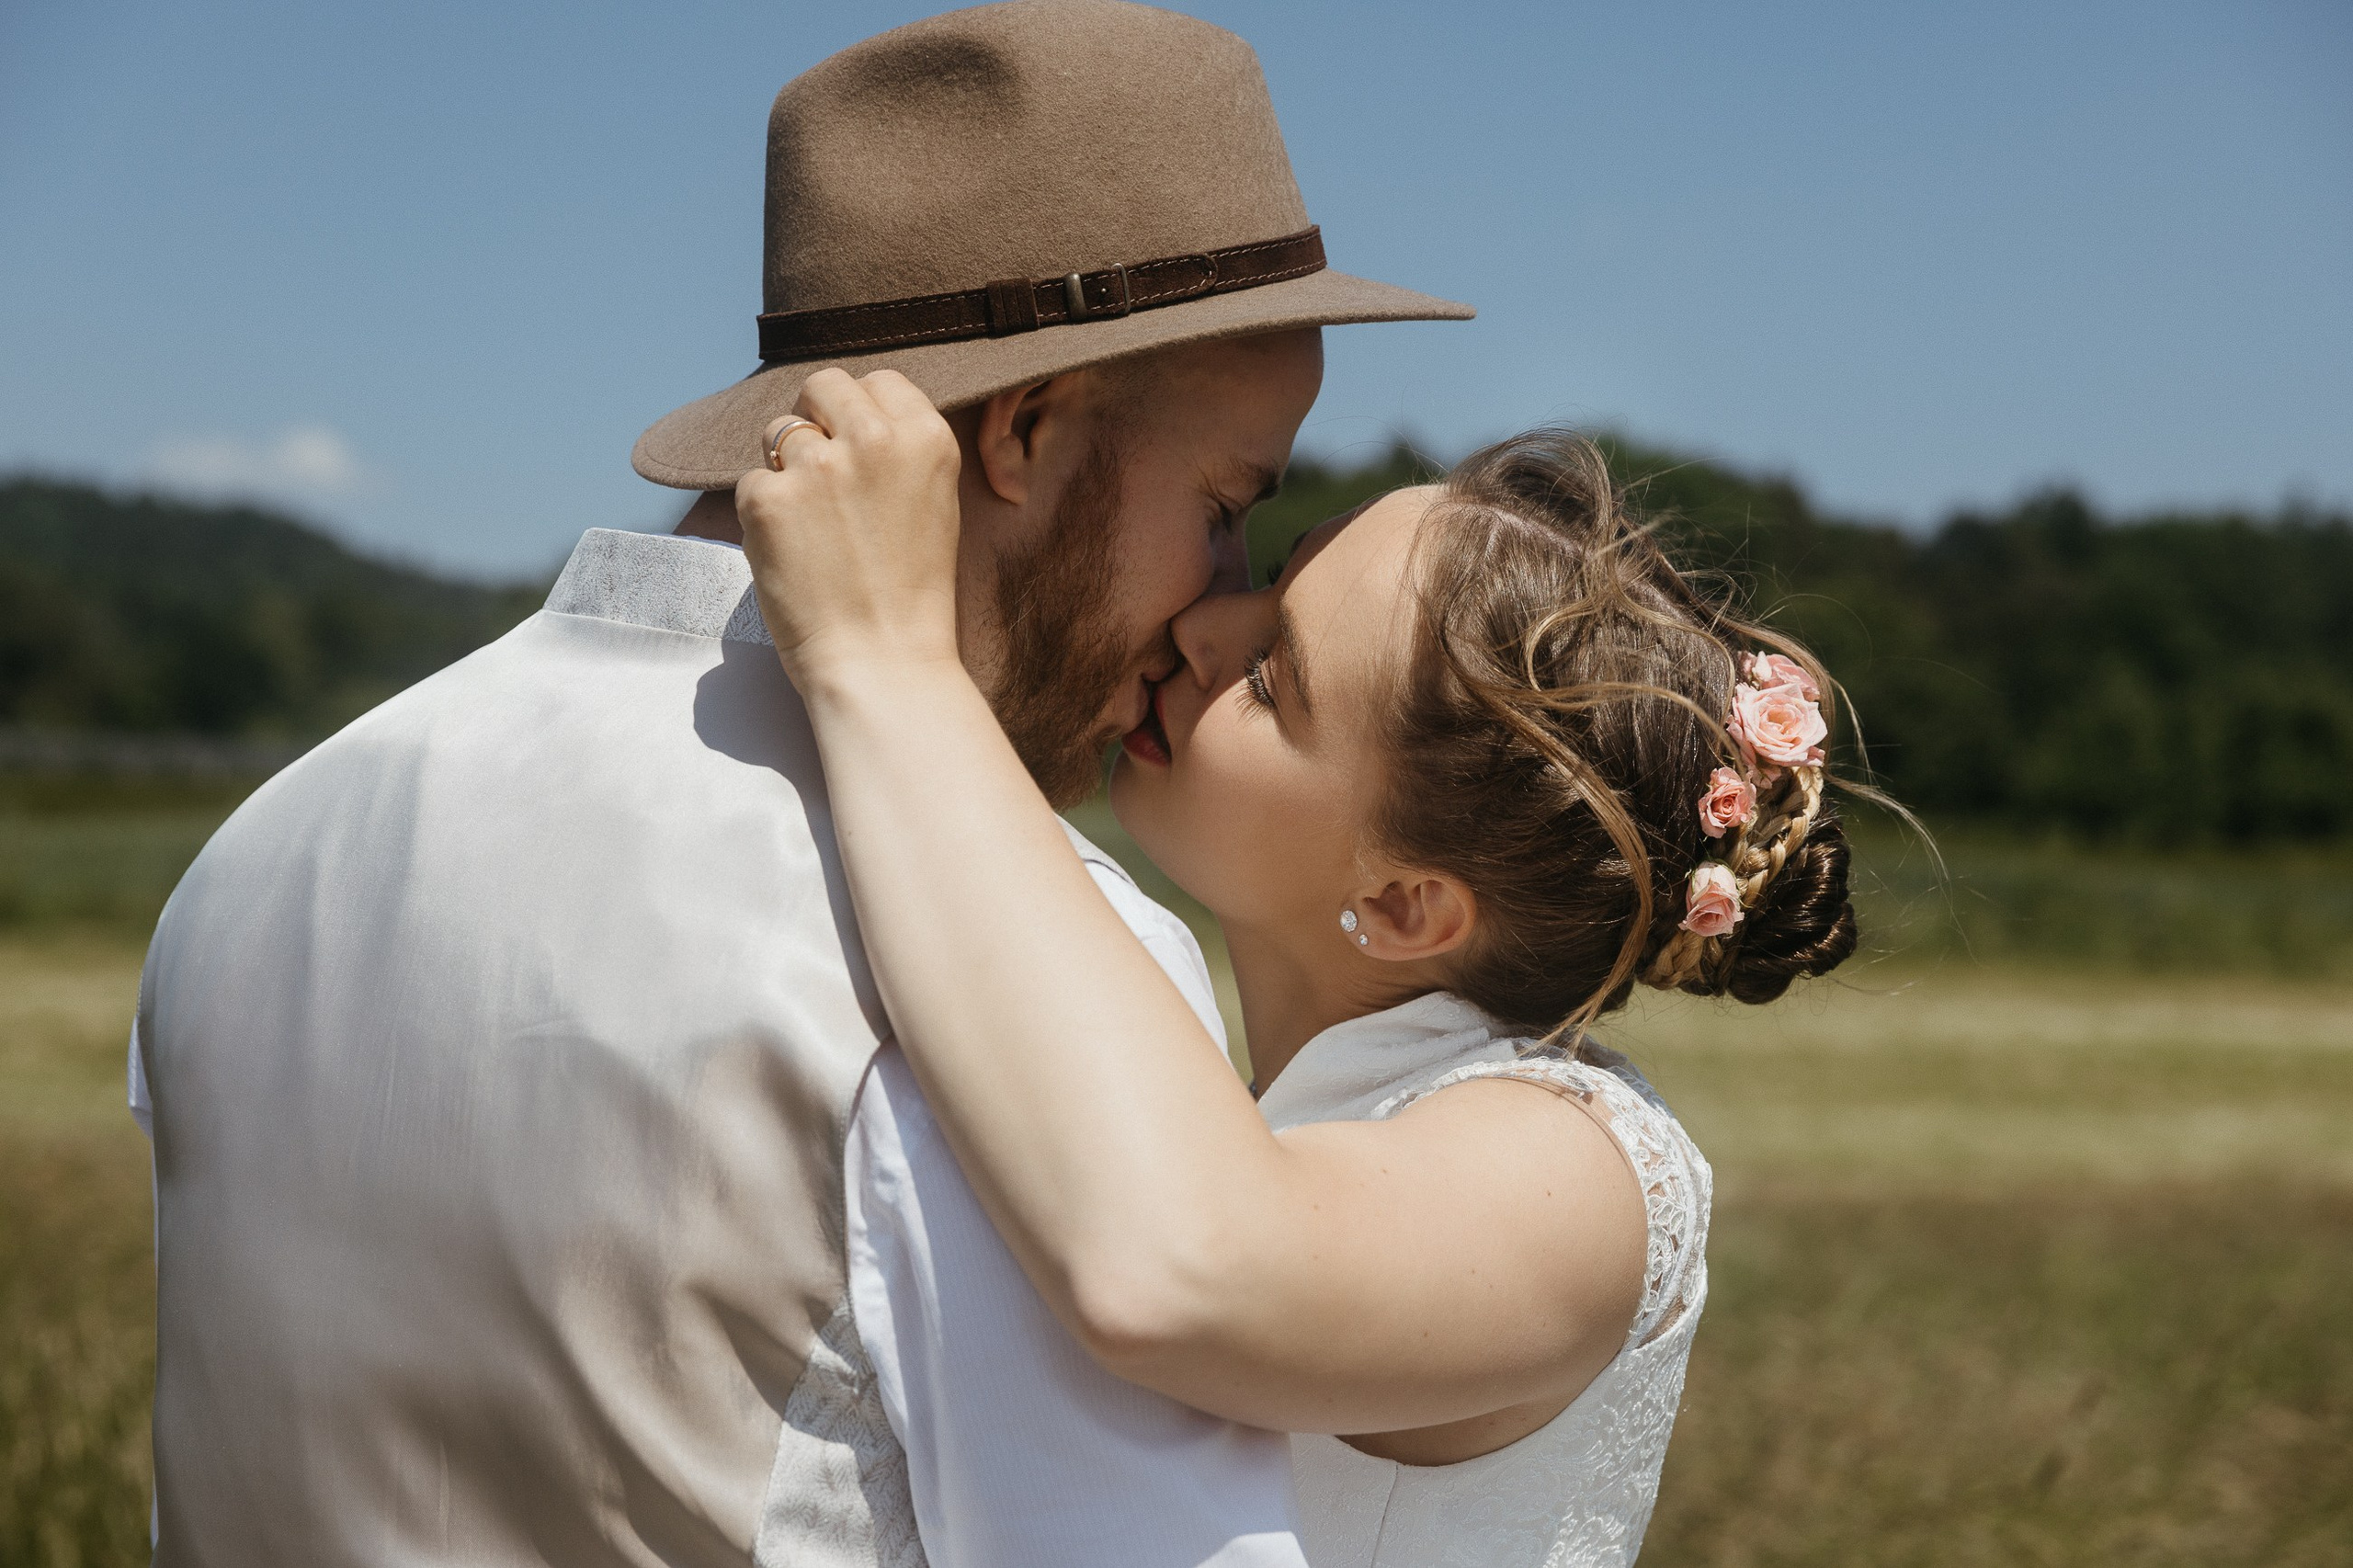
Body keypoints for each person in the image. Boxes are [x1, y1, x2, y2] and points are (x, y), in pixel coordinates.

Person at [124, 5, 1470, 1563]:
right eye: (1225, 505)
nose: (1218, 607)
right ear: (1028, 432)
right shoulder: (1008, 979)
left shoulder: (259, 852)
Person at [730, 372, 1866, 1566]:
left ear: (1404, 901)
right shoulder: (1273, 1096)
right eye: (1270, 573)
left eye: (1274, 677)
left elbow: (1179, 1268)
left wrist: (888, 659)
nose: (1204, 628)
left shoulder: (1581, 1174)